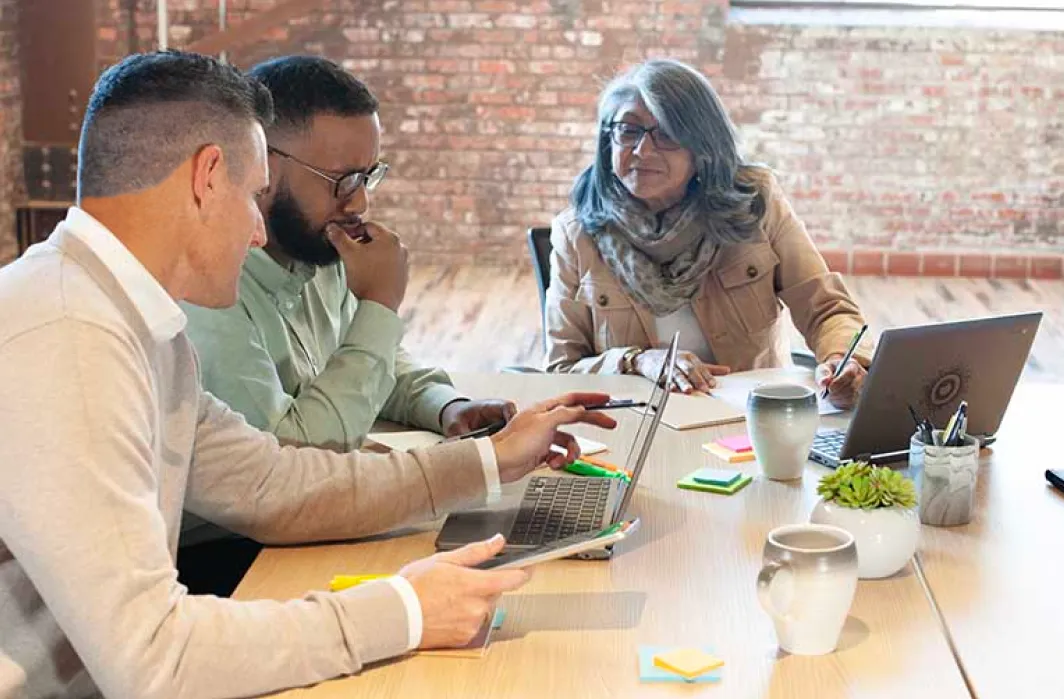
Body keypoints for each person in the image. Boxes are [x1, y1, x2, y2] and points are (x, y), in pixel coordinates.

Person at [0, 51, 614, 699]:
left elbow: (272, 484)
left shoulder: (131, 323)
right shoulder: (68, 336)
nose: (259, 230)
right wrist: (405, 610)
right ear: (208, 177)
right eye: (250, 193)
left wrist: (485, 461)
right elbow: (158, 660)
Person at [178, 55, 519, 592]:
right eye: (340, 180)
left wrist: (446, 407)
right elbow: (293, 470)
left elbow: (364, 357)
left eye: (368, 176)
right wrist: (381, 304)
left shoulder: (316, 248)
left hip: (298, 530)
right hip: (224, 559)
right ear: (261, 166)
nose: (358, 201)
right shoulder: (211, 286)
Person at [545, 59, 872, 408]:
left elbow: (826, 308)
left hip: (754, 418)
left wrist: (842, 359)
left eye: (666, 135)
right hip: (638, 424)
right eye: (629, 130)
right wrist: (636, 361)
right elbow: (561, 369)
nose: (642, 150)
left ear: (702, 148)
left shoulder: (755, 203)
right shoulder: (576, 233)